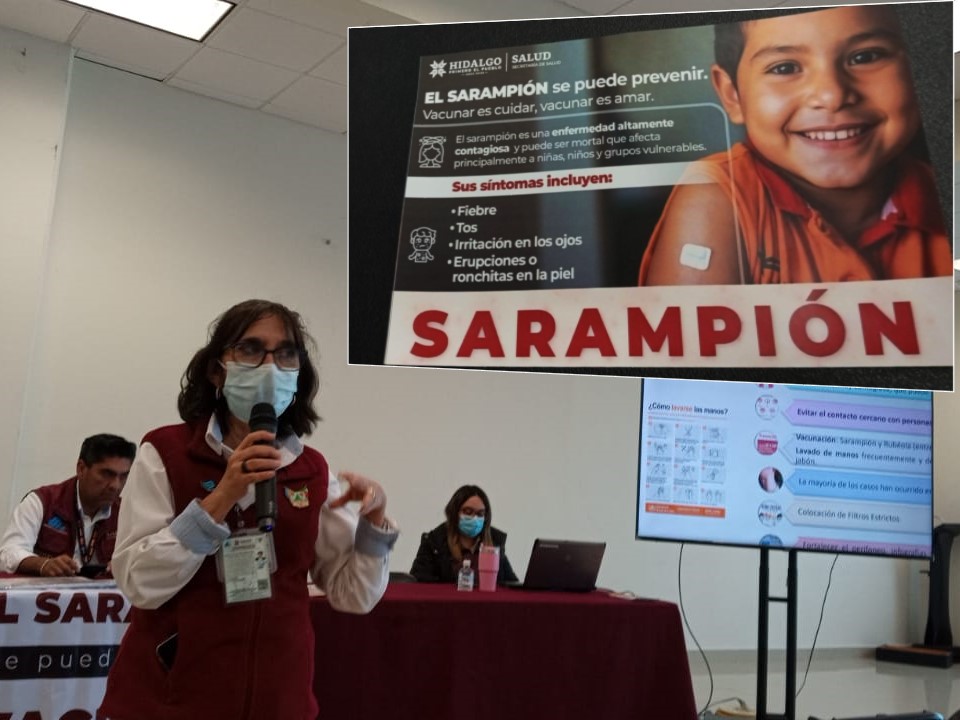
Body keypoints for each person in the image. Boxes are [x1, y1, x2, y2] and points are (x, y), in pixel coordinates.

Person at [97, 299, 398, 720]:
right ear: (217, 370)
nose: (270, 367)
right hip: (172, 698)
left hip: (278, 697)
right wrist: (222, 497)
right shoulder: (165, 452)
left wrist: (374, 524)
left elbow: (353, 596)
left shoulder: (312, 470)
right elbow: (139, 582)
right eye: (252, 349)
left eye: (286, 353)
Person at [639, 5, 950, 285]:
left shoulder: (942, 189)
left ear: (918, 71)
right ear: (732, 95)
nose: (832, 96)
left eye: (865, 57)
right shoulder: (718, 194)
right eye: (785, 68)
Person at [0, 433, 136, 577]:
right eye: (107, 474)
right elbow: (8, 553)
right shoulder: (42, 501)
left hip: (102, 590)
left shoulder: (126, 512)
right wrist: (43, 564)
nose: (115, 485)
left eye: (123, 476)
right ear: (81, 468)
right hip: (47, 588)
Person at [410, 484, 518, 585]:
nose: (474, 518)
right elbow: (418, 583)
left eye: (480, 513)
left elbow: (511, 583)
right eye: (468, 511)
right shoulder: (434, 543)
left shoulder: (495, 543)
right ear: (454, 513)